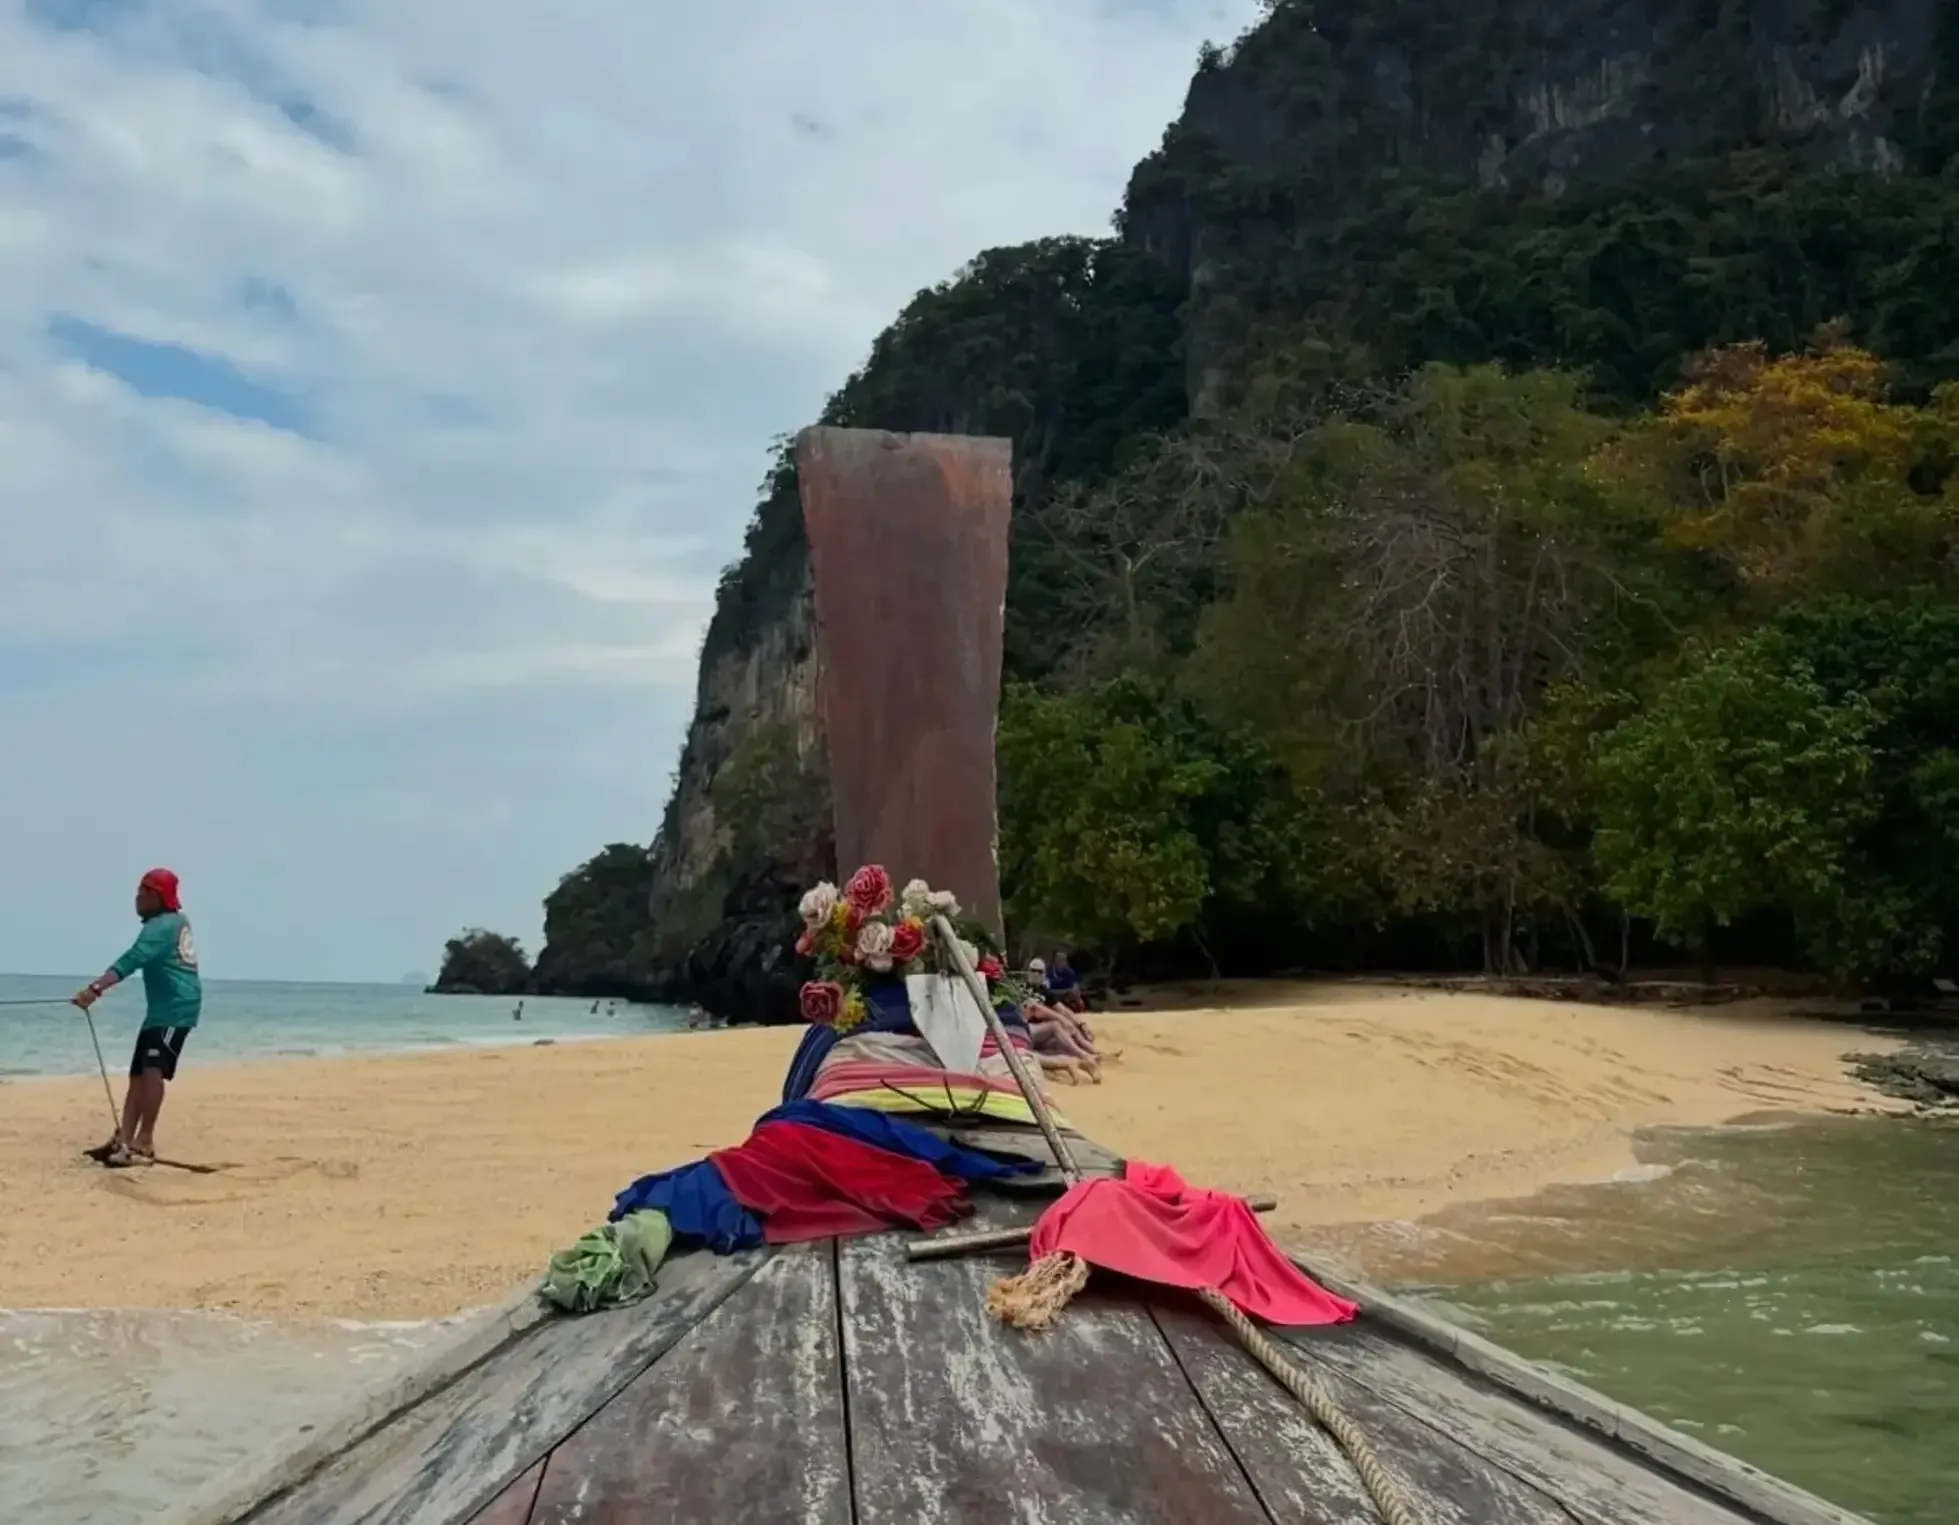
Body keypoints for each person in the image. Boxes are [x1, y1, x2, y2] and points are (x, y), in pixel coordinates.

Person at [74, 869, 201, 1167]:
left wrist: (95, 989)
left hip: (177, 1009)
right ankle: (125, 1140)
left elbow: (133, 959)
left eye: (144, 892)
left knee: (153, 1071)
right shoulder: (171, 922)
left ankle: (144, 1142)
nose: (137, 897)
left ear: (158, 897)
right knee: (137, 1075)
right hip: (159, 1010)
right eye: (138, 891)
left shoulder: (163, 926)